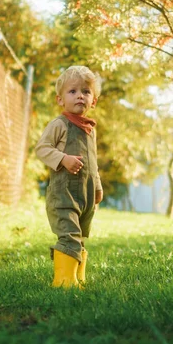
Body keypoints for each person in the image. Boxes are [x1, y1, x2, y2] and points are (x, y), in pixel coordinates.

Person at [35, 65, 103, 288]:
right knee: (69, 234)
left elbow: (93, 163)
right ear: (60, 99)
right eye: (72, 91)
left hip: (85, 196)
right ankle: (63, 282)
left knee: (80, 236)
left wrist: (98, 186)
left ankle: (77, 279)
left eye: (86, 91)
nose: (80, 95)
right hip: (63, 195)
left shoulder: (90, 130)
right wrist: (62, 158)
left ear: (93, 101)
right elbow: (42, 148)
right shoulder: (59, 125)